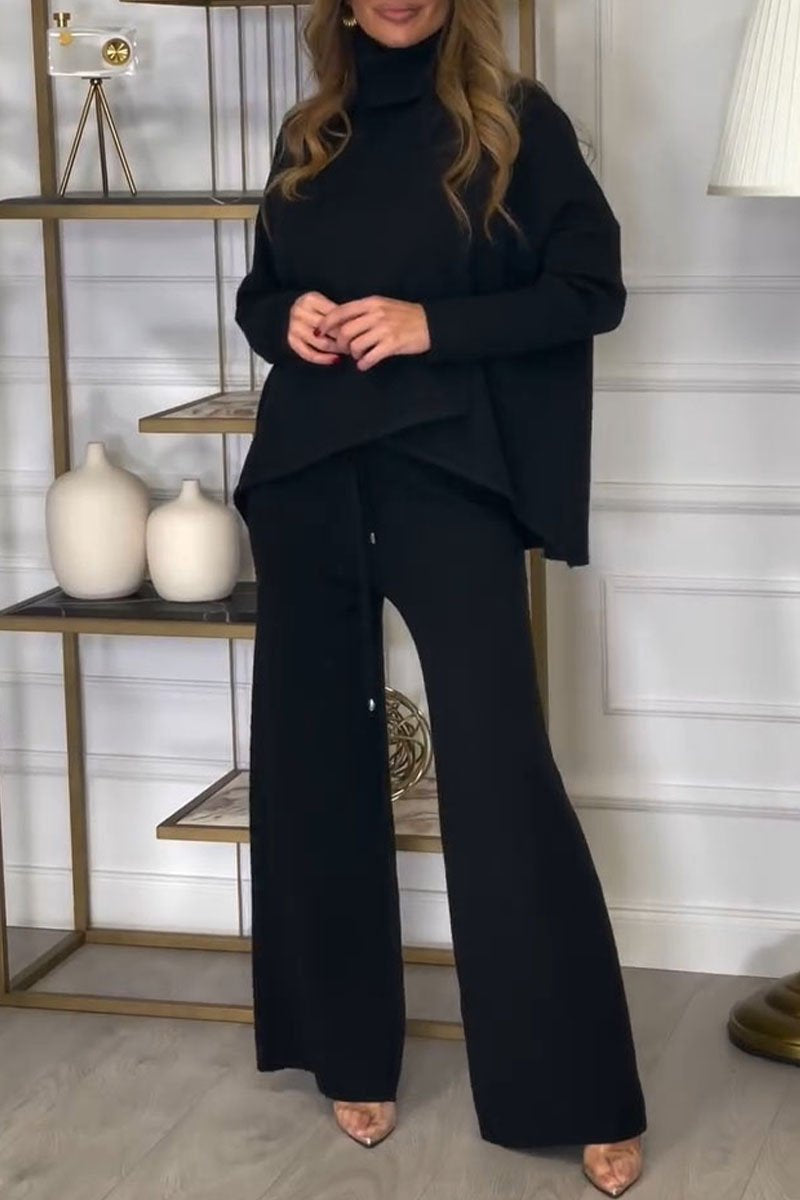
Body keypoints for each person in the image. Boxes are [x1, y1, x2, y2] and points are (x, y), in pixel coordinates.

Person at [232, 0, 647, 1194]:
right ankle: (344, 1051)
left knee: (497, 771)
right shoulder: (311, 132)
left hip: (446, 476)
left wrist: (430, 326)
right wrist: (285, 319)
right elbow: (260, 292)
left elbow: (590, 289)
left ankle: (575, 1089)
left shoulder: (514, 124)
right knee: (313, 764)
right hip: (308, 478)